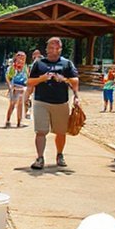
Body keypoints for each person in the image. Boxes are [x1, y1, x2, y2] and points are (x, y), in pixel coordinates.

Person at [26, 37, 79, 170]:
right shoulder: (39, 64)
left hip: (60, 102)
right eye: (51, 47)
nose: (54, 50)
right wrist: (42, 78)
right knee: (41, 131)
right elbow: (30, 82)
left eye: (57, 48)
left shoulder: (67, 64)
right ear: (47, 48)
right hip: (41, 101)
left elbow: (75, 81)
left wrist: (64, 79)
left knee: (60, 132)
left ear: (60, 49)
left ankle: (59, 154)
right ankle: (40, 158)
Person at [4, 51, 28, 127]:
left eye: (23, 58)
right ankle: (8, 120)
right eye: (20, 57)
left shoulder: (25, 67)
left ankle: (19, 121)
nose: (21, 59)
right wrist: (10, 86)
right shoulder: (13, 67)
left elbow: (27, 76)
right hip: (14, 86)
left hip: (22, 87)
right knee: (12, 104)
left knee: (20, 104)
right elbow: (8, 77)